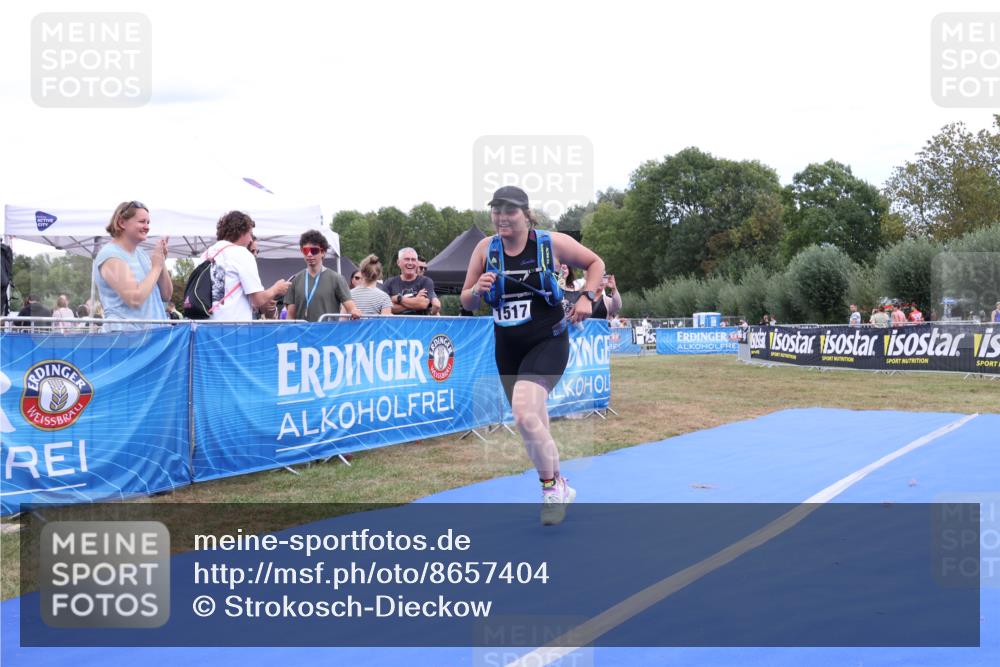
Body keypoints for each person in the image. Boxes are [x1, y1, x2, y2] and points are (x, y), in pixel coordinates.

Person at [460, 185, 605, 526]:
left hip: (548, 341)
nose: (501, 217)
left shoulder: (549, 243)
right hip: (507, 348)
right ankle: (560, 485)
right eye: (496, 210)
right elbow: (466, 301)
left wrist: (586, 298)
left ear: (526, 214)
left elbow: (594, 263)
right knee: (532, 423)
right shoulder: (485, 249)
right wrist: (476, 290)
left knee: (524, 415)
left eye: (509, 211)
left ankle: (551, 488)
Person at [92, 200, 170, 331]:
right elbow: (134, 299)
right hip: (126, 342)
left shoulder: (142, 254)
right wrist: (156, 267)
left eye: (148, 222)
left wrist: (161, 263)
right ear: (122, 223)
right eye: (142, 221)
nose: (147, 227)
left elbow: (166, 295)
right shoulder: (110, 256)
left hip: (152, 340)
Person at [202, 210, 290, 321]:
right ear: (240, 232)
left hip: (206, 324)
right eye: (249, 234)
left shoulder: (207, 253)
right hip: (233, 326)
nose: (250, 239)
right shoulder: (242, 253)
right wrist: (276, 289)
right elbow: (258, 300)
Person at [286, 230, 361, 322]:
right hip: (302, 334)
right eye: (305, 251)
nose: (309, 254)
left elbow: (350, 307)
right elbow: (290, 316)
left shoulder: (336, 279)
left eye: (314, 251)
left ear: (323, 252)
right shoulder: (295, 280)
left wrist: (354, 311)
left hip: (327, 334)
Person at [382, 247, 437, 315]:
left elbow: (423, 304)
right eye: (407, 259)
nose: (410, 263)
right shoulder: (389, 283)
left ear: (416, 263)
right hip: (396, 325)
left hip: (419, 325)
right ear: (398, 262)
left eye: (413, 260)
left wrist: (398, 298)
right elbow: (385, 308)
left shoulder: (426, 281)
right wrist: (415, 300)